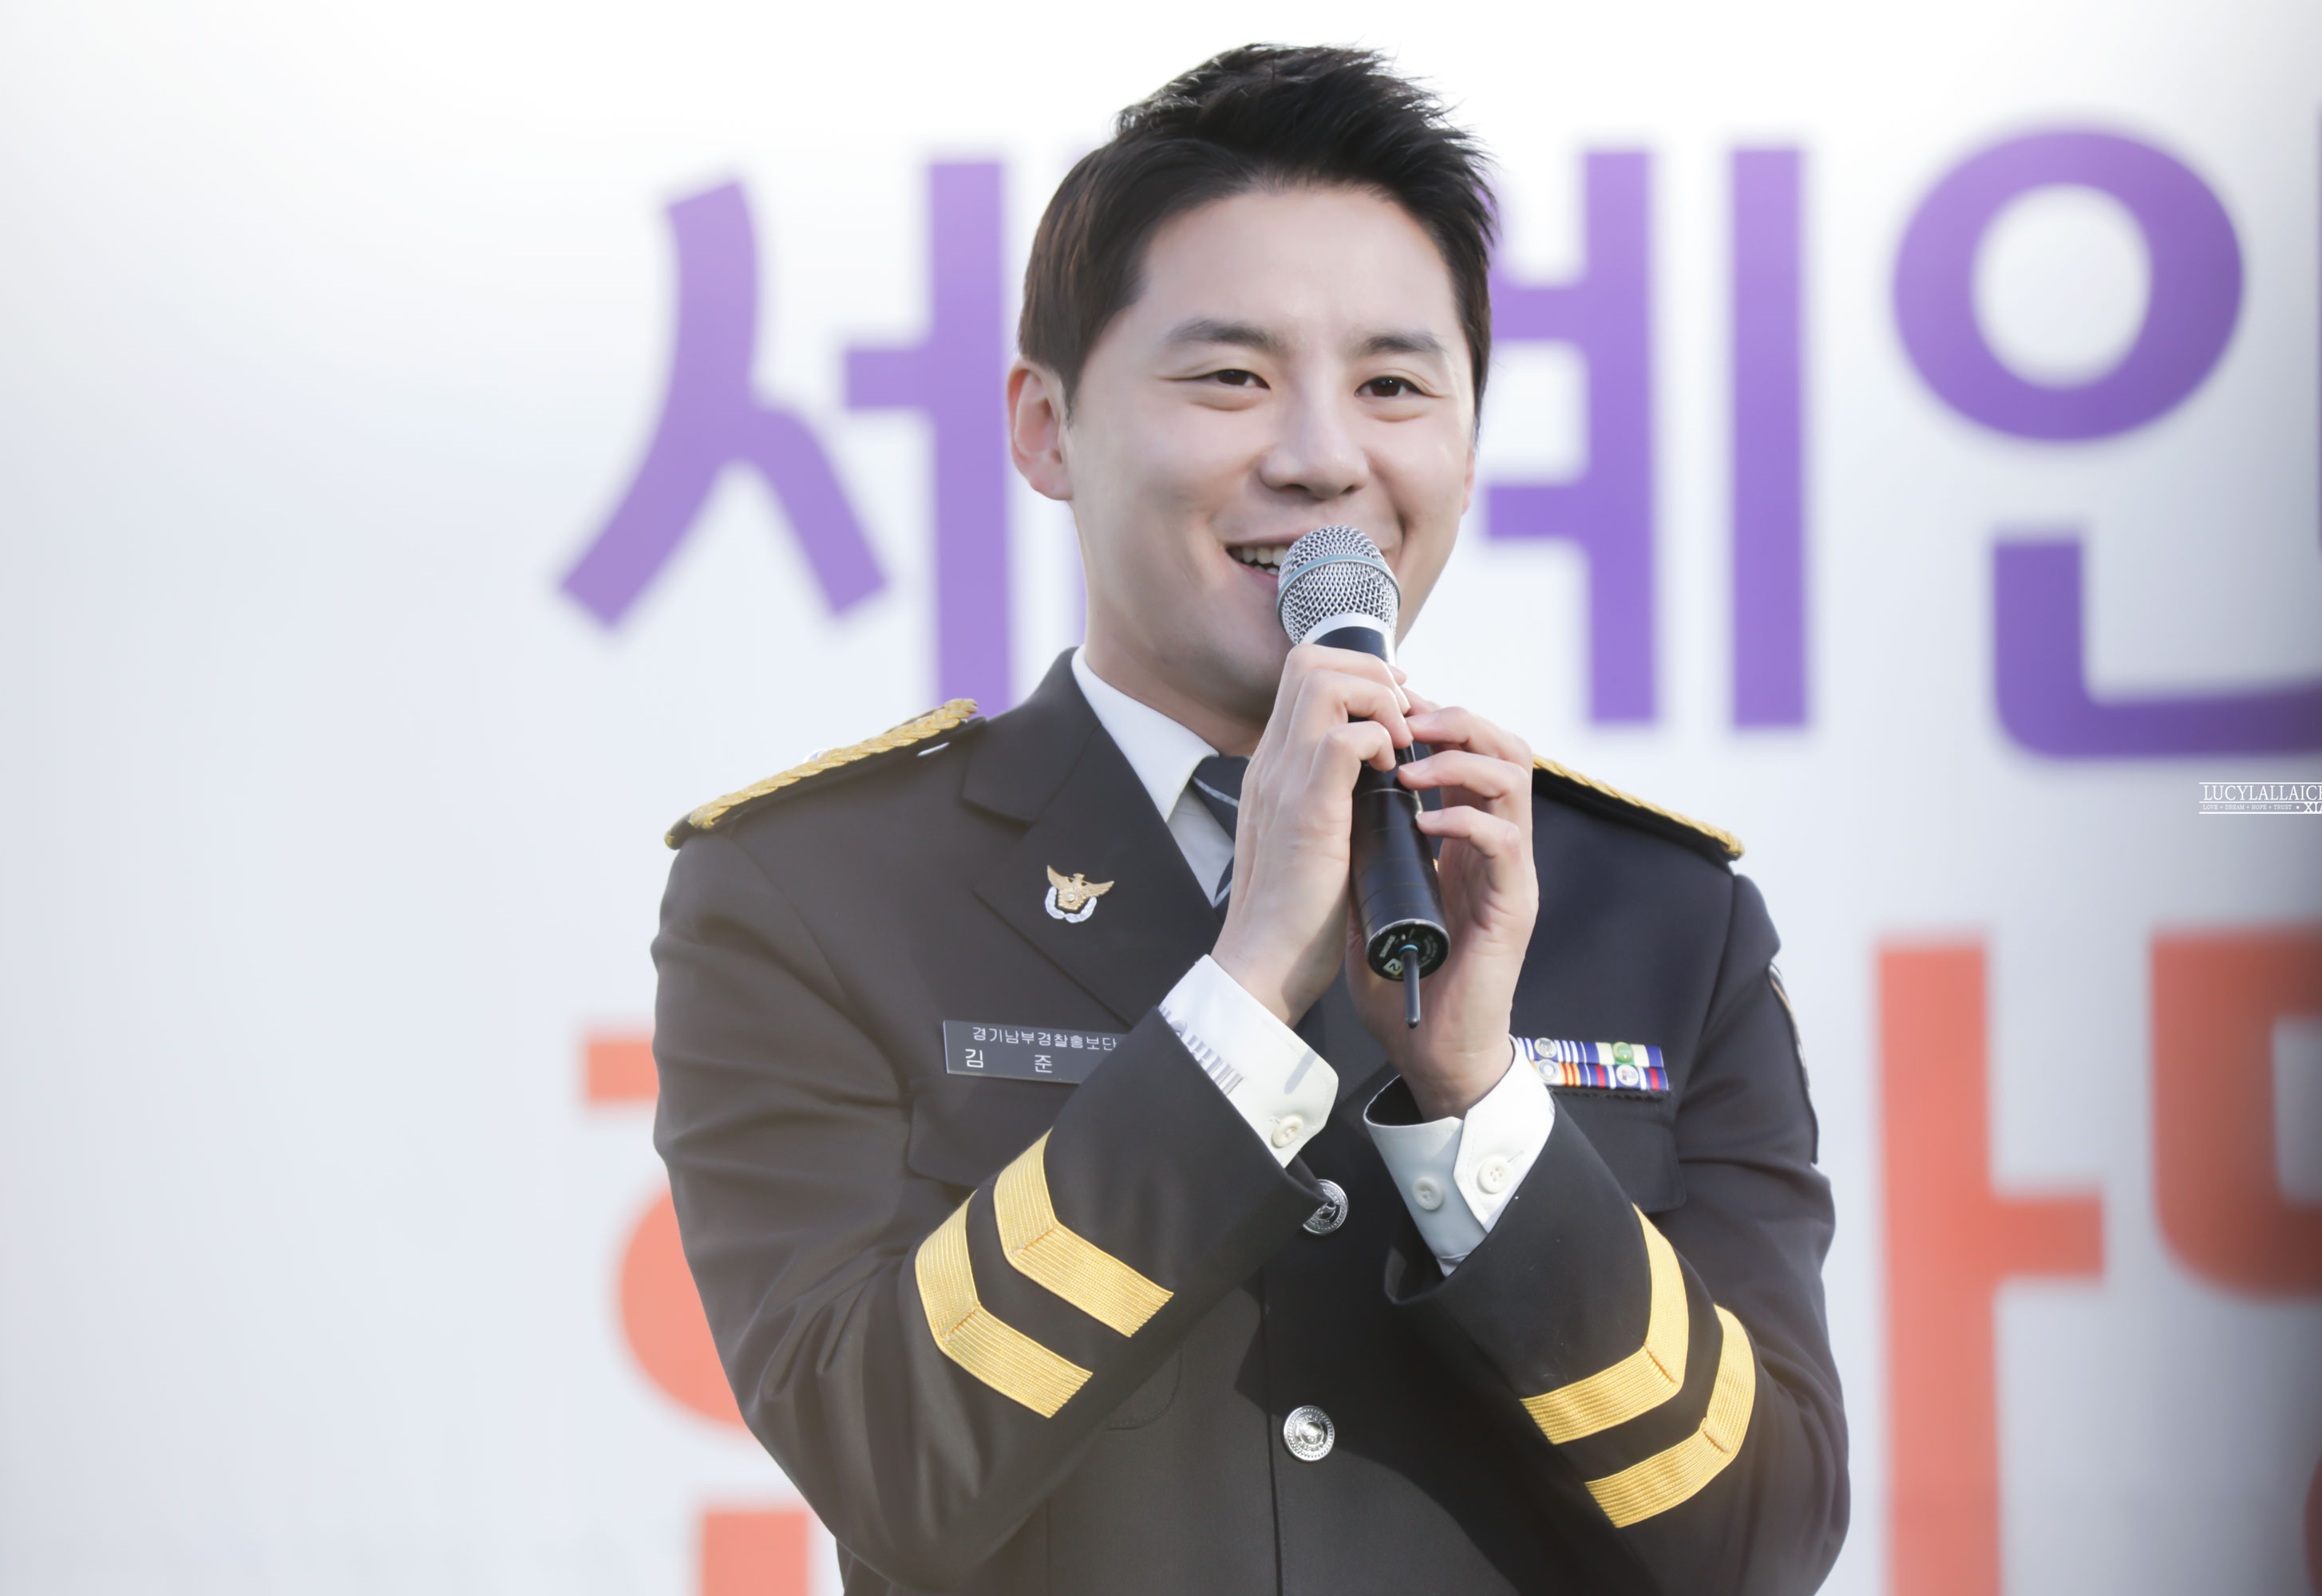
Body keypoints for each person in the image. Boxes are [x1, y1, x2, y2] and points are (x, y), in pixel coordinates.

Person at [651, 44, 1846, 1595]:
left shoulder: (1660, 918)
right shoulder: (816, 892)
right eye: (1230, 377)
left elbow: (1760, 1539)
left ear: (1468, 445)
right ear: (1045, 425)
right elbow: (894, 1459)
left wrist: (1480, 1102)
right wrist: (1241, 996)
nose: (1322, 456)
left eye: (1394, 386)